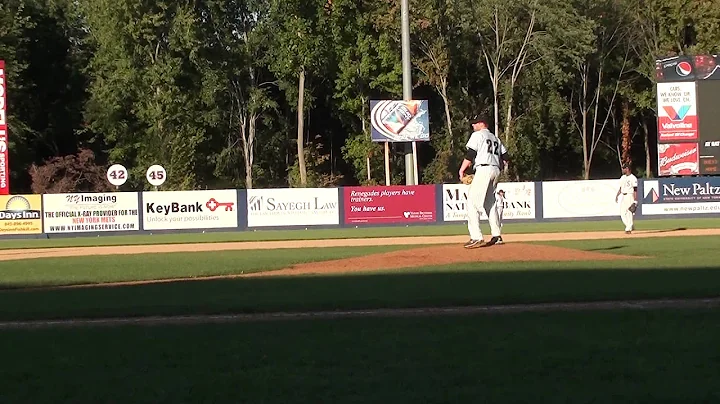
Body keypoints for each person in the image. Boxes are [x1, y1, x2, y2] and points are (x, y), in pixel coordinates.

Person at [458, 115, 509, 248]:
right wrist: (498, 168)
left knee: (472, 203)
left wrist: (462, 170)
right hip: (495, 170)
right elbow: (506, 157)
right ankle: (496, 236)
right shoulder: (495, 138)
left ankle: (476, 237)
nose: (473, 126)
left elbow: (470, 154)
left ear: (482, 123)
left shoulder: (478, 135)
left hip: (484, 169)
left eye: (475, 123)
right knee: (489, 204)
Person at [615, 164, 638, 234]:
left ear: (627, 169)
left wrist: (635, 200)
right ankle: (629, 225)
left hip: (629, 195)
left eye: (624, 168)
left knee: (629, 212)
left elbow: (635, 189)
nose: (623, 170)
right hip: (624, 195)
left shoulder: (633, 178)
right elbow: (621, 188)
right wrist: (617, 195)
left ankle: (628, 228)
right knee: (622, 213)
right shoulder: (623, 177)